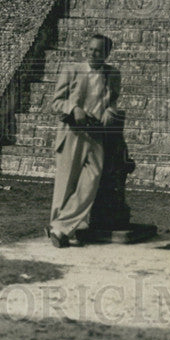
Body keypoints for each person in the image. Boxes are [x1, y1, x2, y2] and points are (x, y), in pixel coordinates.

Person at [47, 33, 121, 247]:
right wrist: (74, 108)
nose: (92, 53)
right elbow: (55, 103)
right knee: (66, 185)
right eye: (90, 49)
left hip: (96, 134)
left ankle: (59, 227)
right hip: (72, 132)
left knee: (91, 181)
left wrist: (110, 113)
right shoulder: (71, 70)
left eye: (98, 50)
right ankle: (62, 230)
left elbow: (112, 102)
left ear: (107, 54)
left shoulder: (113, 74)